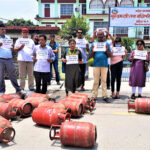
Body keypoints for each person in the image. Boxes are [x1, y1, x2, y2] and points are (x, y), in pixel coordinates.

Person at [90, 30, 112, 103]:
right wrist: (92, 50)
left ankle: (105, 96)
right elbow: (90, 56)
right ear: (96, 35)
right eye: (99, 35)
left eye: (101, 35)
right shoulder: (93, 44)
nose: (100, 36)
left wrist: (106, 50)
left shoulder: (107, 44)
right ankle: (94, 96)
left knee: (104, 81)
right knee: (96, 81)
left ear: (104, 35)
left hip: (104, 64)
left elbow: (110, 55)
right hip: (96, 64)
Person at [0, 24, 22, 95]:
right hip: (0, 59)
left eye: (4, 29)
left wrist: (12, 46)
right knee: (0, 75)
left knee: (12, 74)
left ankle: (18, 89)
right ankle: (2, 91)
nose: (3, 30)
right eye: (2, 29)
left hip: (9, 59)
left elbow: (12, 50)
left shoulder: (8, 38)